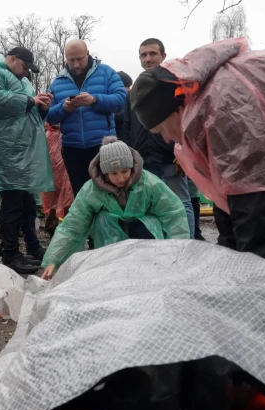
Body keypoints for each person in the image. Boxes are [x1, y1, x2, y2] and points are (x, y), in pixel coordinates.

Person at [129, 38, 265, 308]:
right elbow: (231, 204)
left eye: (161, 130)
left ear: (175, 110)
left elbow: (256, 213)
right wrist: (231, 267)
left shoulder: (225, 106)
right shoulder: (207, 102)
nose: (167, 140)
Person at [41, 137, 190, 280]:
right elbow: (72, 226)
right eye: (114, 174)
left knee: (149, 223)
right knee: (102, 219)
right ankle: (111, 270)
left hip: (144, 232)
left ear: (132, 168)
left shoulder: (149, 184)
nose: (120, 178)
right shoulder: (91, 191)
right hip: (110, 236)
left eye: (125, 171)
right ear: (105, 173)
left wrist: (178, 251)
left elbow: (173, 214)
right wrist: (54, 260)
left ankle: (150, 269)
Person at [0, 47, 54, 274]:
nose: (26, 71)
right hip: (6, 150)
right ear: (11, 58)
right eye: (24, 66)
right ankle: (10, 253)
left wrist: (42, 107)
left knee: (27, 203)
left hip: (22, 150)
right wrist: (30, 101)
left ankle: (32, 246)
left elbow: (29, 111)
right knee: (12, 202)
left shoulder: (20, 79)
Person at [122, 38, 195, 238]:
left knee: (180, 201)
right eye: (143, 55)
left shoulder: (174, 84)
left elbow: (186, 119)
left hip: (171, 156)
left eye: (153, 53)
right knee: (149, 205)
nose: (148, 59)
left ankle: (186, 245)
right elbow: (127, 123)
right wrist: (130, 152)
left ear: (163, 56)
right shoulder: (135, 91)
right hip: (143, 158)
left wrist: (183, 151)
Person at [46, 39, 127, 196]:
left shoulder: (106, 73)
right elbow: (49, 116)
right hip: (72, 149)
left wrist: (94, 101)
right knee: (82, 195)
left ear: (88, 54)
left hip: (103, 146)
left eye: (80, 59)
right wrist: (64, 108)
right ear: (66, 59)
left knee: (108, 192)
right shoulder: (58, 82)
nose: (76, 64)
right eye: (71, 60)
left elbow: (121, 100)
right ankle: (88, 221)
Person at [41, 123, 74, 237]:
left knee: (67, 188)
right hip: (55, 138)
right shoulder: (49, 136)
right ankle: (53, 220)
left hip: (67, 137)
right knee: (53, 187)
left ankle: (63, 221)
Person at [114, 71, 132, 139]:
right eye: (126, 86)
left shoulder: (129, 100)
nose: (129, 90)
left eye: (130, 86)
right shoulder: (110, 100)